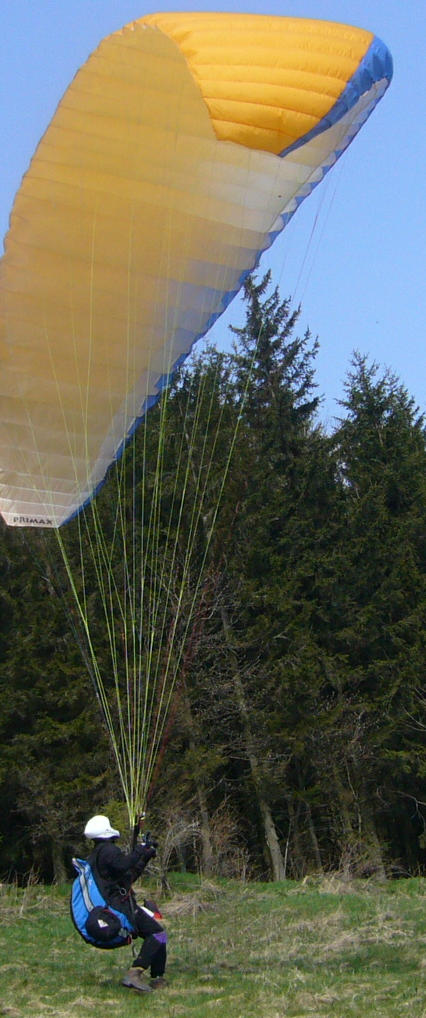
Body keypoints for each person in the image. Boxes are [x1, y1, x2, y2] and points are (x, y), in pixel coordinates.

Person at [84, 814, 167, 993]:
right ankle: (136, 972)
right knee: (158, 934)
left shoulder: (98, 854)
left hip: (118, 904)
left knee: (157, 934)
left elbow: (127, 877)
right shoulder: (107, 850)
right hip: (120, 907)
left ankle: (157, 977)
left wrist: (144, 856)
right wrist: (140, 850)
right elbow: (123, 865)